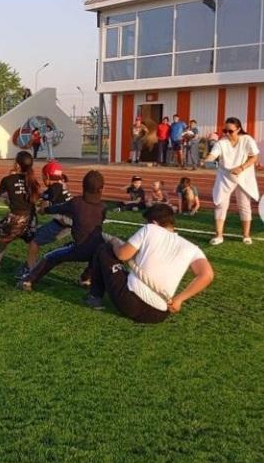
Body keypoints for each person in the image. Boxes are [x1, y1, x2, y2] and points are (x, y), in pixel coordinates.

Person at [84, 204, 214, 322]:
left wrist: (114, 243)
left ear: (154, 222)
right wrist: (180, 299)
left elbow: (122, 255)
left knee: (104, 249)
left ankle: (94, 297)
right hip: (158, 315)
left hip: (130, 303)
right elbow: (207, 275)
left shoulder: (151, 229)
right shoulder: (192, 248)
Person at [18, 170, 107, 291]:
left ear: (83, 187)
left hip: (79, 247)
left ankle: (28, 281)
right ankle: (86, 278)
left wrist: (44, 210)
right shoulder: (103, 207)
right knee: (96, 253)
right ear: (102, 189)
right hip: (96, 248)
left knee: (50, 257)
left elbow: (58, 208)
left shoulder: (76, 202)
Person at [201, 117, 260, 245]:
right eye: (225, 131)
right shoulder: (221, 143)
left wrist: (241, 168)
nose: (227, 133)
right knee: (220, 205)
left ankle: (246, 235)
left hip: (243, 176)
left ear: (238, 129)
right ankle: (219, 235)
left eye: (230, 131)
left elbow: (254, 157)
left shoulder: (247, 140)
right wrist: (207, 160)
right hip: (225, 176)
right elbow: (213, 155)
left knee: (244, 205)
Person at [0, 151, 40, 270]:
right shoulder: (34, 181)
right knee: (6, 231)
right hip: (31, 223)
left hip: (16, 222)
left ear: (17, 165)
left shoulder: (8, 179)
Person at [16, 160, 72, 281]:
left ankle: (30, 271)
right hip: (70, 223)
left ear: (46, 175)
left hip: (62, 224)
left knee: (34, 241)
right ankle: (29, 264)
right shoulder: (60, 184)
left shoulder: (53, 188)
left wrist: (37, 207)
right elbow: (45, 195)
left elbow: (43, 208)